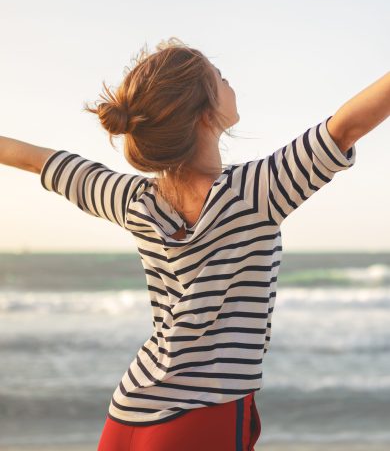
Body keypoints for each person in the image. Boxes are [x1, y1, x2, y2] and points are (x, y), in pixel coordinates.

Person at [1, 38, 389, 451]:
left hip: (127, 414)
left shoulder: (133, 200)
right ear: (206, 111)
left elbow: (38, 160)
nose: (228, 81)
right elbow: (347, 126)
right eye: (219, 78)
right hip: (203, 413)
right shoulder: (257, 192)